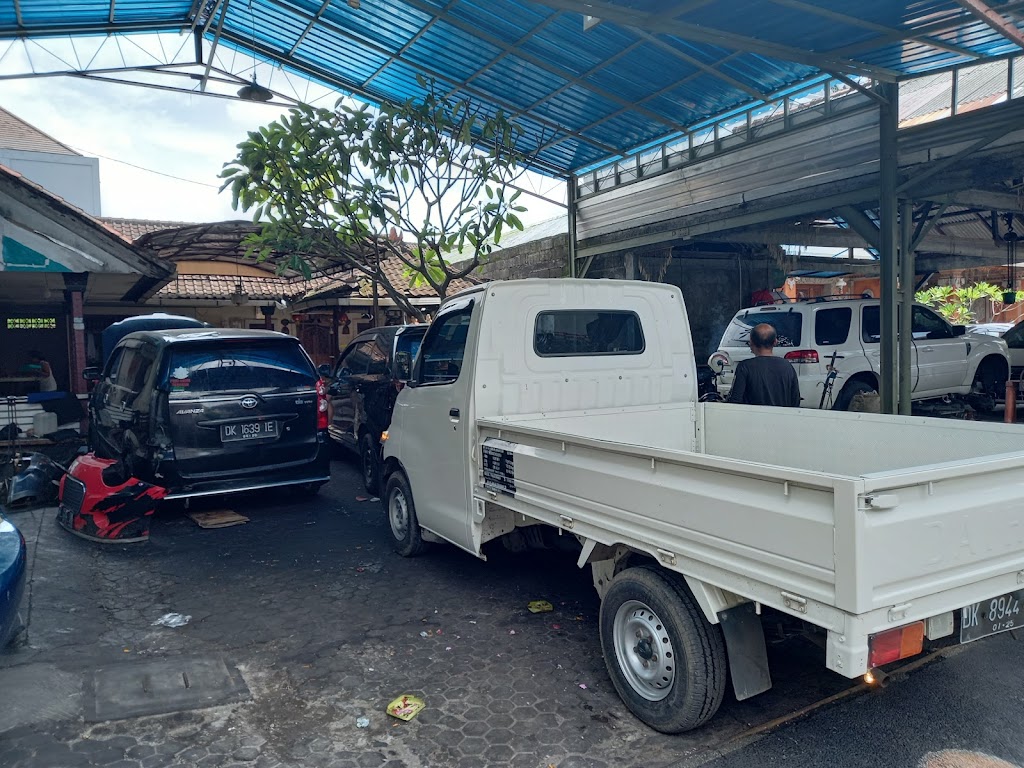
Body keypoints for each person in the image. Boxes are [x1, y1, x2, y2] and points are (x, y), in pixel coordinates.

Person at [728, 324, 800, 407]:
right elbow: (795, 400)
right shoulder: (787, 366)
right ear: (775, 342)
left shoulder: (744, 367)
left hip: (753, 418)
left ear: (751, 342)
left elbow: (735, 401)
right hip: (781, 418)